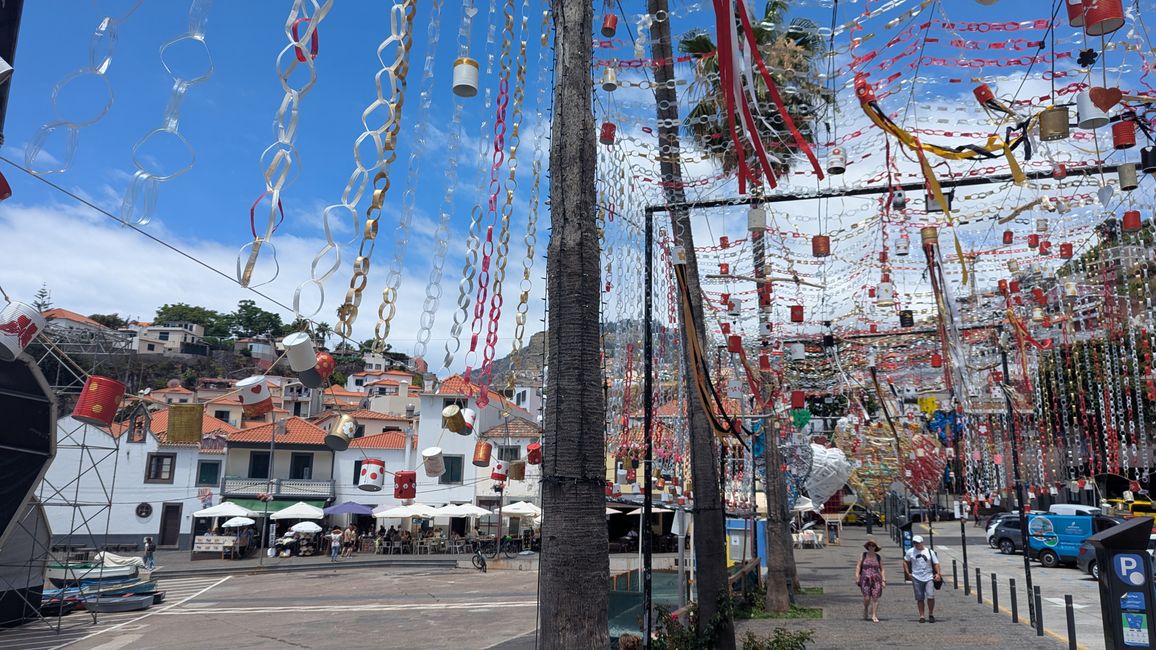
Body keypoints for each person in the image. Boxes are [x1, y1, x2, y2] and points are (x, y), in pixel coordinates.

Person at [903, 535, 941, 623]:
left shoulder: (929, 551)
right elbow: (905, 561)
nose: (916, 544)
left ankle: (931, 614)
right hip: (916, 577)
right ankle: (922, 616)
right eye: (914, 543)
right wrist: (908, 572)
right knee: (920, 598)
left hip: (929, 576)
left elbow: (936, 563)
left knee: (930, 596)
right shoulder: (910, 552)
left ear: (922, 543)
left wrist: (938, 574)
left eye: (918, 543)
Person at [855, 537, 886, 623]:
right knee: (867, 597)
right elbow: (858, 566)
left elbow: (882, 569)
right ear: (867, 546)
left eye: (873, 545)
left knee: (875, 597)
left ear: (875, 547)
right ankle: (865, 608)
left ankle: (874, 615)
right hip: (865, 579)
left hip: (876, 579)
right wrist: (857, 577)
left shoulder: (878, 557)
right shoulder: (863, 555)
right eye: (870, 545)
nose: (871, 546)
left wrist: (883, 580)